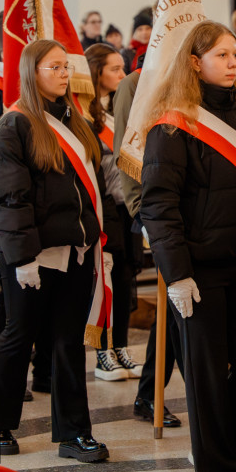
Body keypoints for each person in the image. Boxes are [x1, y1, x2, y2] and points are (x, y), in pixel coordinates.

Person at [140, 20, 236, 472]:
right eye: (221, 55)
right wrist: (176, 274)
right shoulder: (173, 125)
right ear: (194, 63)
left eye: (234, 55)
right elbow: (158, 205)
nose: (232, 63)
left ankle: (218, 458)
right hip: (197, 272)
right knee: (204, 381)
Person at [0, 39, 120, 462]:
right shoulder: (13, 127)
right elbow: (8, 200)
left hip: (75, 252)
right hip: (32, 256)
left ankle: (74, 433)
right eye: (54, 67)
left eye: (65, 67)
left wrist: (102, 241)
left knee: (68, 341)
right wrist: (21, 258)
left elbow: (97, 192)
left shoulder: (77, 122)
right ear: (31, 73)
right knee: (18, 338)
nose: (63, 74)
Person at [111, 66, 186, 428]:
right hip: (161, 212)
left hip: (200, 213)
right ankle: (149, 394)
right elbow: (129, 149)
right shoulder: (136, 83)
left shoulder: (195, 76)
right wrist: (141, 211)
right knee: (174, 310)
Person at [83, 43, 143, 382]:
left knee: (123, 280)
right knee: (103, 281)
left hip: (125, 207)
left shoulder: (111, 112)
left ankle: (120, 345)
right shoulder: (86, 117)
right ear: (97, 73)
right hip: (103, 208)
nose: (122, 75)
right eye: (115, 69)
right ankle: (102, 352)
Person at [121, 8, 153, 73]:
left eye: (147, 28)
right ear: (134, 33)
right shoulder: (127, 53)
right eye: (140, 29)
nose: (144, 32)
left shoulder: (157, 49)